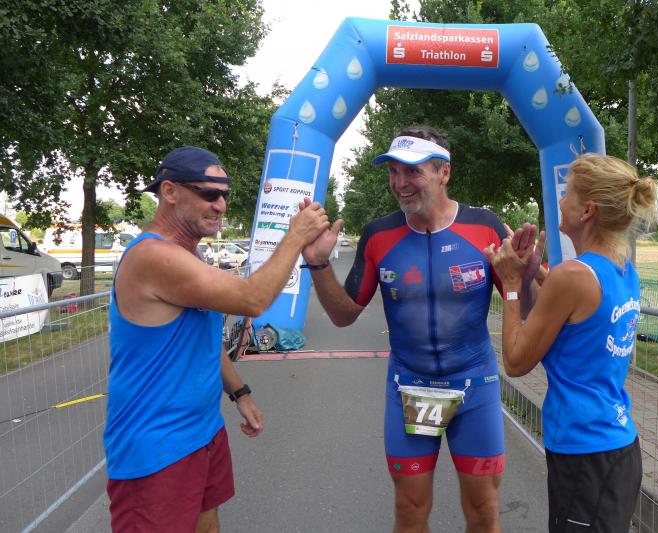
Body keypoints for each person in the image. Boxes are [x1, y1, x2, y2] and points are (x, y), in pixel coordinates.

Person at [300, 126, 535, 532]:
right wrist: (318, 264)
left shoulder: (484, 226)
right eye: (393, 172)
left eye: (412, 171)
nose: (400, 183)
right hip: (410, 387)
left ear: (444, 173)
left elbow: (527, 308)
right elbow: (343, 315)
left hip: (474, 386)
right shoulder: (379, 234)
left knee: (484, 510)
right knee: (409, 509)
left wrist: (525, 275)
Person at [104, 146, 329, 532]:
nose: (221, 205)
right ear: (170, 191)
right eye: (209, 194)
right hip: (157, 446)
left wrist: (240, 393)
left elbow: (202, 338)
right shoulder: (153, 256)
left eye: (224, 195)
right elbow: (252, 300)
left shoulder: (190, 255)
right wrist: (295, 237)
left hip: (203, 430)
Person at [485, 153, 658, 533]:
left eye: (567, 193)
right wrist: (533, 273)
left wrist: (511, 283)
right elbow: (568, 312)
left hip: (584, 453)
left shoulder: (572, 277)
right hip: (616, 446)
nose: (560, 201)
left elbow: (515, 362)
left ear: (587, 210)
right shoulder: (622, 268)